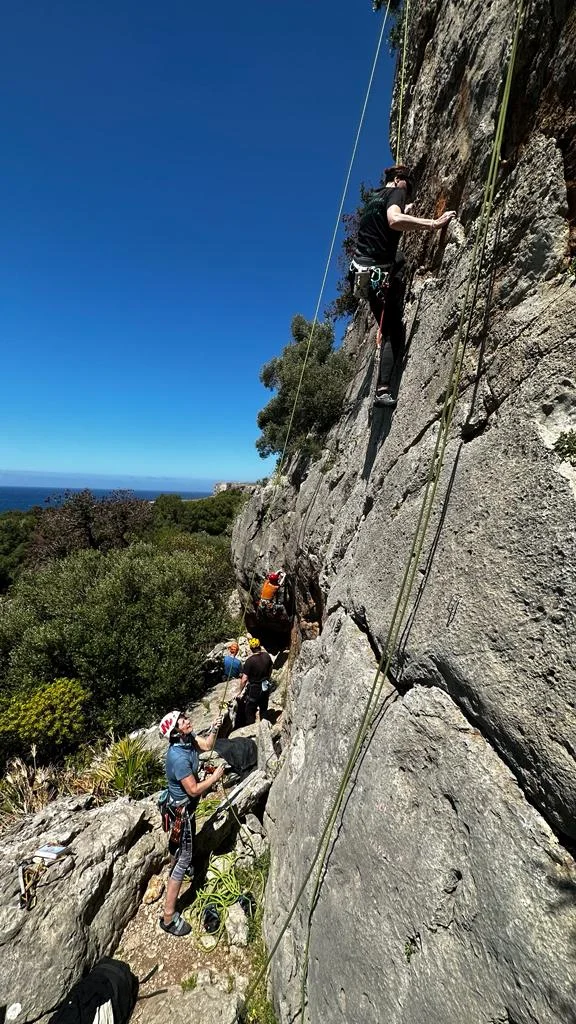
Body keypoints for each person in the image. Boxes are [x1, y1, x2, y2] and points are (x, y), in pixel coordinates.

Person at [349, 165, 456, 408]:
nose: (408, 194)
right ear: (398, 180)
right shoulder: (396, 193)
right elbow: (394, 220)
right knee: (393, 332)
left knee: (399, 259)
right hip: (376, 274)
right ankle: (383, 390)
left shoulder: (375, 197)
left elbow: (382, 222)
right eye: (408, 187)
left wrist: (402, 208)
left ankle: (390, 292)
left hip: (360, 272)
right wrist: (432, 224)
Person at [158, 709, 225, 936]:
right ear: (175, 732)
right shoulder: (177, 757)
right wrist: (214, 778)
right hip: (182, 810)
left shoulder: (187, 740)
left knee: (183, 848)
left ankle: (180, 867)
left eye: (185, 718)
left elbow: (206, 746)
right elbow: (194, 789)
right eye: (182, 721)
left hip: (186, 808)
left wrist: (215, 728)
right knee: (184, 858)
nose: (187, 721)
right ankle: (168, 917)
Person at [235, 638, 274, 726]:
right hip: (265, 686)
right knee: (263, 707)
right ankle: (264, 726)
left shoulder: (250, 661)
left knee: (250, 709)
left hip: (254, 688)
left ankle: (251, 728)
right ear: (259, 646)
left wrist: (240, 691)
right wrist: (268, 677)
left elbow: (244, 679)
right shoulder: (267, 656)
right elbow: (271, 668)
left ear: (251, 648)